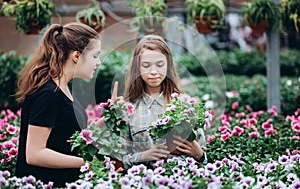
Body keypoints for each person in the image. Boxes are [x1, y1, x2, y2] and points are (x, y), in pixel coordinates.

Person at [15, 22, 101, 187]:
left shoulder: (62, 89)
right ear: (76, 56)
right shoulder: (48, 94)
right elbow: (34, 154)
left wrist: (109, 117)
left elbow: (65, 135)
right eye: (95, 56)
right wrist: (86, 162)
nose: (98, 63)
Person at [120, 34, 206, 170]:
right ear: (137, 68)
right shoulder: (128, 108)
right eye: (146, 65)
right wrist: (143, 156)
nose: (153, 71)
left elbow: (204, 157)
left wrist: (199, 154)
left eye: (160, 65)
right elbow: (120, 160)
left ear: (168, 66)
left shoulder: (184, 104)